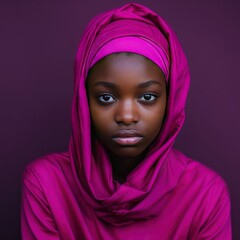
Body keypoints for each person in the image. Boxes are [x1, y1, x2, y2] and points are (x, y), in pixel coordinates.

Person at [21, 3, 231, 239]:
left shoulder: (205, 195)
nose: (127, 116)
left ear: (170, 101)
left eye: (147, 97)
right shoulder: (47, 184)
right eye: (106, 97)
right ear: (83, 101)